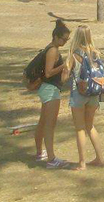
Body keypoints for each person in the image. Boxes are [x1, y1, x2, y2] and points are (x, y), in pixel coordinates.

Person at [63, 25, 104, 171]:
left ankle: (82, 163)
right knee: (90, 126)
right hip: (93, 92)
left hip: (78, 93)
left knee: (80, 129)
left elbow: (65, 76)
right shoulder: (95, 53)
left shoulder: (74, 55)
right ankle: (100, 158)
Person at [34, 20, 70, 169]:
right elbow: (48, 73)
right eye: (63, 39)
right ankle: (51, 158)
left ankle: (39, 153)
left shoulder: (50, 49)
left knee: (43, 122)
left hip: (48, 89)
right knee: (50, 125)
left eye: (67, 40)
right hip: (50, 89)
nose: (65, 42)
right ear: (55, 36)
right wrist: (64, 65)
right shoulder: (53, 50)